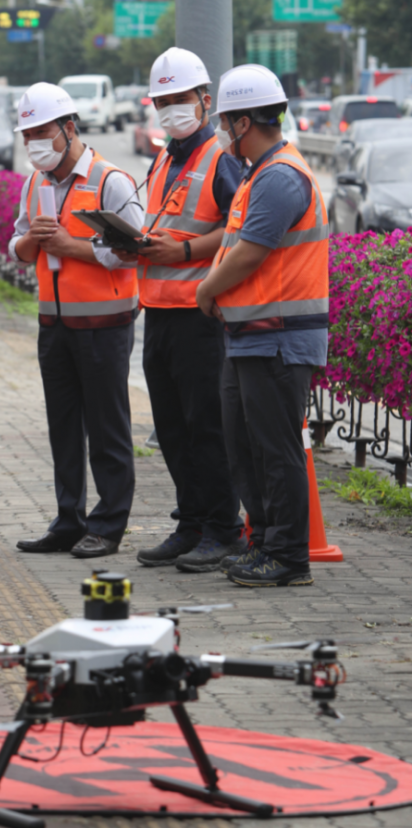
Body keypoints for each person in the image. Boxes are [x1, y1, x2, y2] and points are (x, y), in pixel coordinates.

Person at [196, 65, 329, 587]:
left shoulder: (278, 177)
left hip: (279, 338)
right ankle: (265, 542)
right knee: (248, 448)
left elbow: (249, 254)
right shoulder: (258, 173)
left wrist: (206, 290)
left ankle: (290, 557)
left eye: (227, 120)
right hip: (250, 334)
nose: (224, 130)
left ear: (244, 121)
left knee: (276, 451)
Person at [117, 47, 244, 573]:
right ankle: (190, 523)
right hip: (159, 312)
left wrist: (186, 251)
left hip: (201, 315)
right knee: (170, 426)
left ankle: (224, 530)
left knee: (205, 426)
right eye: (162, 100)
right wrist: (135, 244)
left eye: (180, 99)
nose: (171, 109)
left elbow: (240, 230)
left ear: (205, 100)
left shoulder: (221, 158)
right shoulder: (165, 157)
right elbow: (169, 224)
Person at [10, 82, 143, 559]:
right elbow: (18, 244)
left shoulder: (111, 181)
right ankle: (69, 521)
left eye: (42, 132)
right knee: (63, 428)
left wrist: (72, 248)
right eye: (27, 135)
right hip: (54, 325)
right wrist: (35, 243)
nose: (34, 144)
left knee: (107, 428)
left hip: (105, 325)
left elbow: (133, 252)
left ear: (69, 128)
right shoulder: (35, 183)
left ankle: (107, 525)